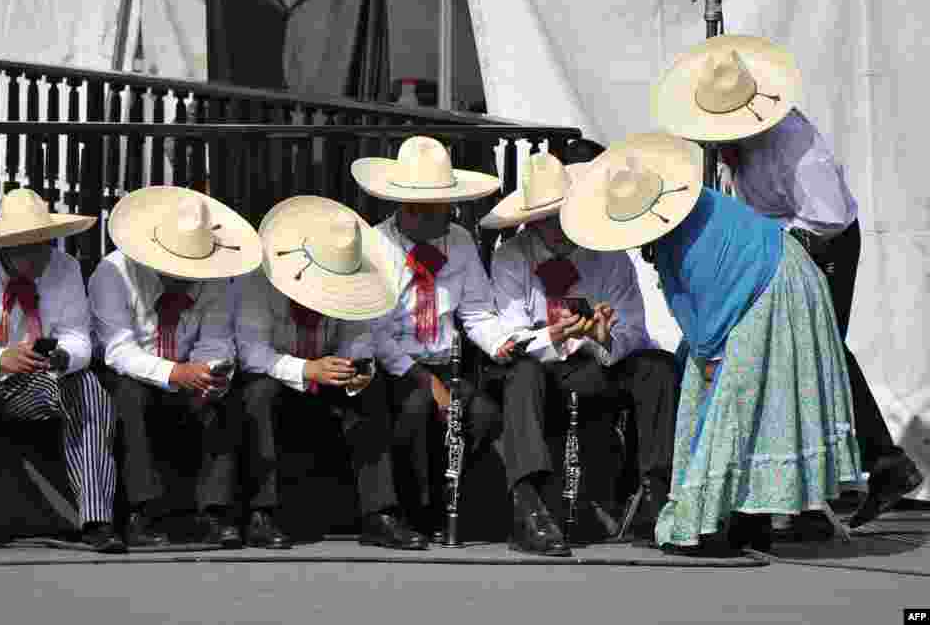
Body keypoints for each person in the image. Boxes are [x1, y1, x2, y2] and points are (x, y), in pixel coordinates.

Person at [653, 34, 923, 534]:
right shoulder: (741, 151)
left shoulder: (796, 149)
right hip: (774, 246)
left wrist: (764, 249)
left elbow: (830, 219)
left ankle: (871, 463)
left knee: (816, 353)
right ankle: (848, 473)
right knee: (802, 358)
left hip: (821, 243)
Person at [559, 133, 862, 556]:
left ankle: (710, 522)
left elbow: (712, 310)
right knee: (737, 403)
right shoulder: (688, 217)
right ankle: (741, 517)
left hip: (770, 290)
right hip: (765, 284)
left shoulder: (691, 236)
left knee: (729, 403)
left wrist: (709, 359)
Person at [482, 150, 680, 555]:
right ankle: (530, 507)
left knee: (657, 367)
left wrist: (605, 340)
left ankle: (658, 493)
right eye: (544, 217)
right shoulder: (510, 257)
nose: (554, 226)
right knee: (521, 374)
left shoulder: (608, 254)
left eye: (560, 214)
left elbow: (634, 328)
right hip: (543, 370)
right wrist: (553, 337)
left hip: (595, 366)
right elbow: (512, 334)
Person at [0, 188, 122, 554]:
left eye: (44, 242)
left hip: (37, 382)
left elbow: (79, 338)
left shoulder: (66, 269)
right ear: (5, 245)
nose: (38, 254)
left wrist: (63, 357)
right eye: (26, 244)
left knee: (89, 387)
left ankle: (97, 520)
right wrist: (0, 360)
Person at [233, 195, 428, 550]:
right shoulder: (259, 280)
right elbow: (250, 353)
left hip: (327, 381)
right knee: (259, 393)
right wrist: (307, 369)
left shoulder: (353, 284)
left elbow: (359, 335)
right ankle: (262, 514)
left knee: (370, 391)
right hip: (278, 379)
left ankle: (379, 514)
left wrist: (355, 369)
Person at [351, 136, 514, 535]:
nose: (446, 214)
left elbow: (476, 311)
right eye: (434, 208)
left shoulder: (458, 240)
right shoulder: (376, 243)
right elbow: (375, 331)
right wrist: (424, 380)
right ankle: (411, 510)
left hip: (446, 364)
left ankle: (456, 504)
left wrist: (500, 343)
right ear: (408, 207)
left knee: (483, 414)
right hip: (396, 367)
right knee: (417, 406)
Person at [88, 186, 259, 548]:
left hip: (187, 371)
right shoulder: (113, 272)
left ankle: (215, 512)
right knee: (131, 397)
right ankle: (142, 513)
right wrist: (173, 374)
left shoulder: (214, 277)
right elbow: (117, 350)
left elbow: (216, 338)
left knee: (226, 398)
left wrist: (210, 373)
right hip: (130, 372)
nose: (185, 276)